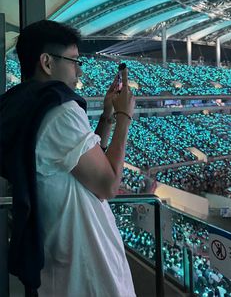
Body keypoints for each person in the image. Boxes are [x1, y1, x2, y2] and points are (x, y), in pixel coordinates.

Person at [0, 20, 136, 297]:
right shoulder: (60, 109)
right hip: (88, 267)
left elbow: (78, 164)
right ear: (47, 62)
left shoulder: (28, 105)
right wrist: (125, 117)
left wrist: (107, 119)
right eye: (73, 60)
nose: (79, 70)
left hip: (60, 258)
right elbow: (108, 184)